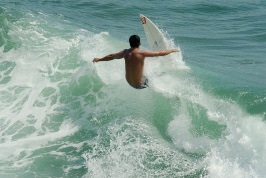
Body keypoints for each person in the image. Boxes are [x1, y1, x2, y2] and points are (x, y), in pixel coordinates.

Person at [92, 35, 179, 89]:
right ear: (139, 43)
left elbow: (112, 56)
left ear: (129, 43)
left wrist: (99, 59)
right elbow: (160, 53)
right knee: (161, 74)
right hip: (139, 85)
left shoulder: (125, 52)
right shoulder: (142, 53)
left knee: (146, 70)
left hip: (129, 82)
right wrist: (172, 50)